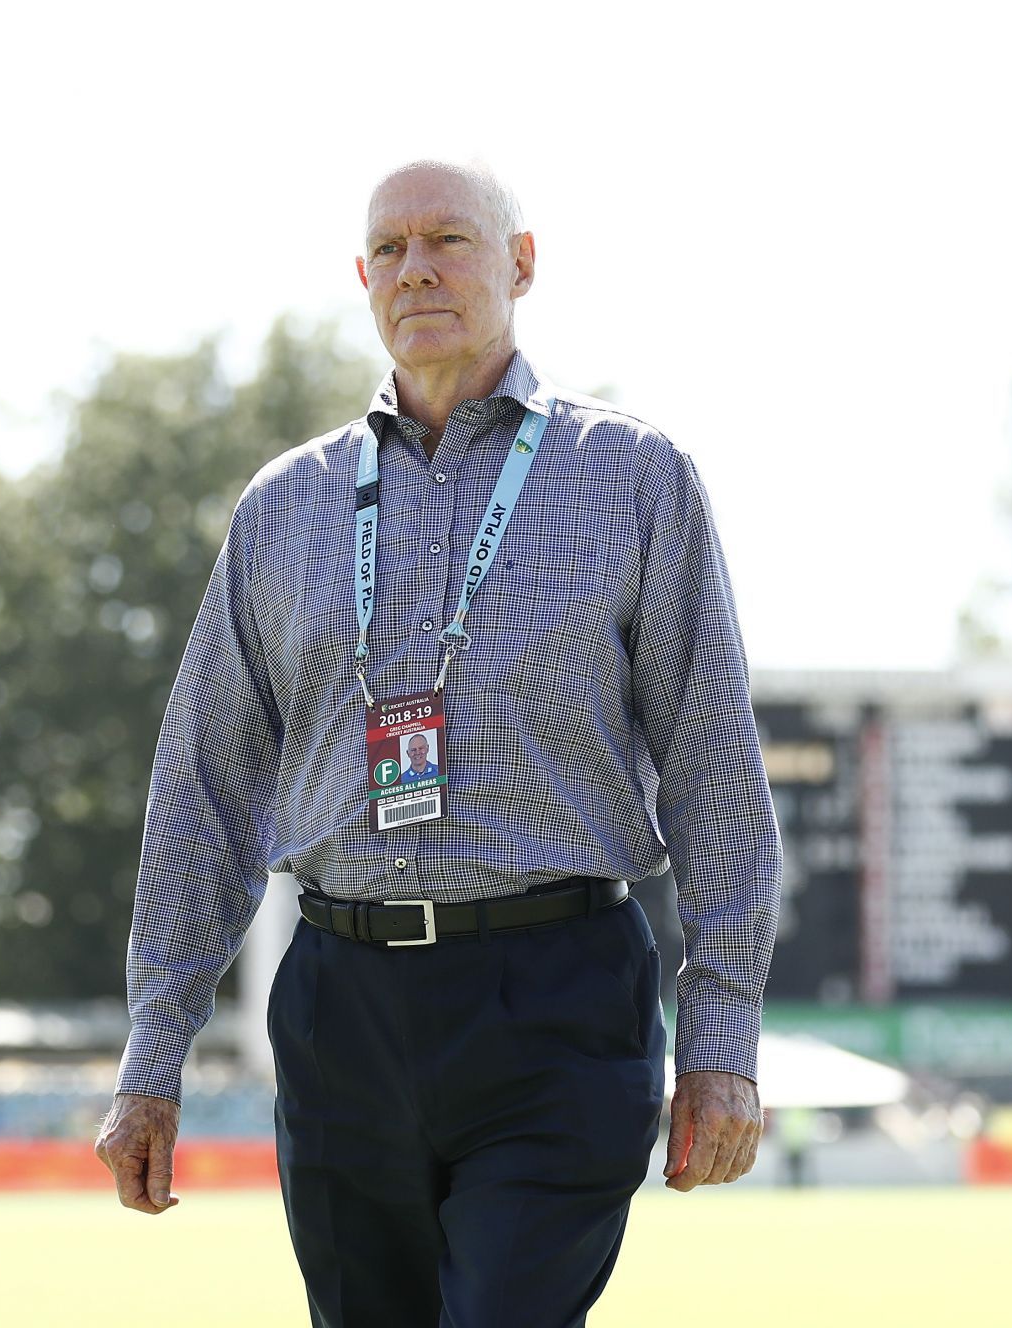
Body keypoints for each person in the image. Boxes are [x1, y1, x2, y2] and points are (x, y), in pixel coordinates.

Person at [96, 158, 781, 1327]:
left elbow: (717, 768)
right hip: (338, 1005)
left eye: (450, 241)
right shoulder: (282, 506)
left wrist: (721, 1037)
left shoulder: (634, 478)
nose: (417, 268)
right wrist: (152, 1052)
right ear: (362, 278)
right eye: (392, 249)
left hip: (555, 992)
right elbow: (203, 789)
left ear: (520, 261)